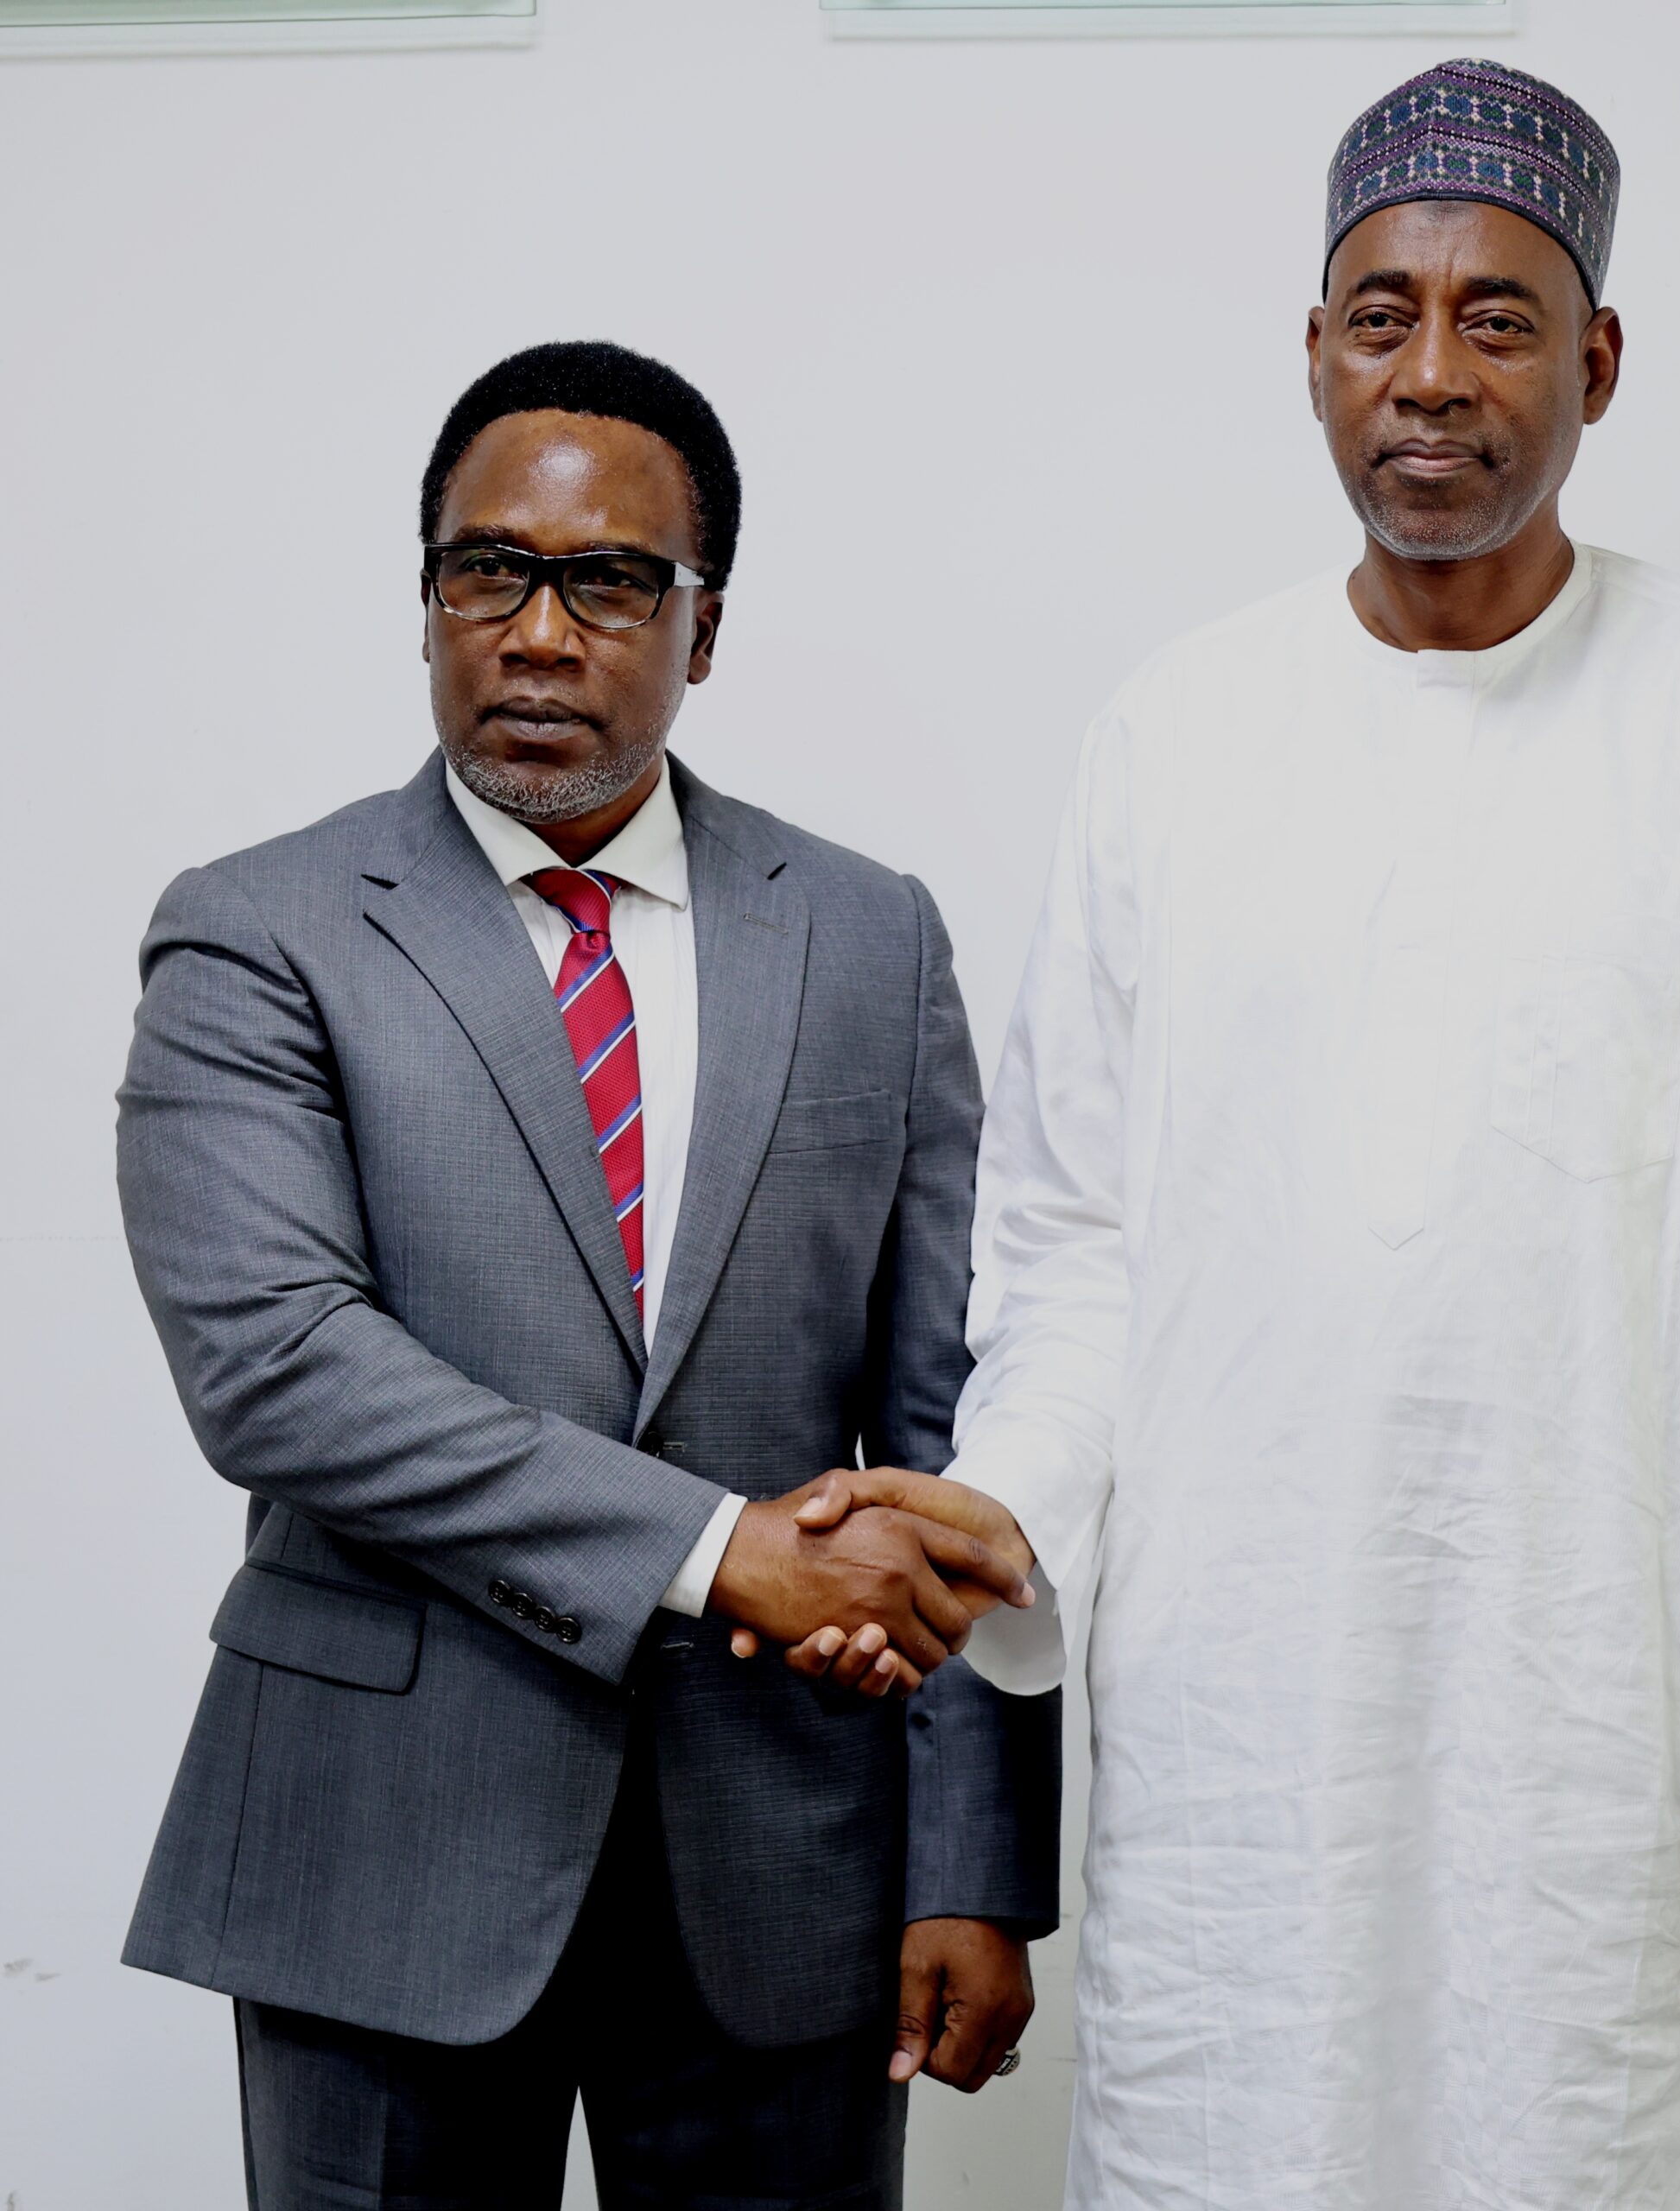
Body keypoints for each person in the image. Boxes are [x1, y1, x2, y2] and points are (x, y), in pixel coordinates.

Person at [793, 56, 1680, 2210]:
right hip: (1251, 1741)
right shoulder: (1177, 734)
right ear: (1314, 353)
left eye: (1498, 318)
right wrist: (992, 1519)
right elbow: (1074, 1255)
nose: (1431, 375)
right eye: (1378, 316)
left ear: (1598, 362)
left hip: (1627, 1728)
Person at [116, 340, 1059, 2211]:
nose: (539, 634)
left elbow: (953, 1424)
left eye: (612, 582)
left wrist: (972, 1863)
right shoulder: (258, 929)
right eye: (490, 572)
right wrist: (725, 1550)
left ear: (704, 629)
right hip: (378, 1853)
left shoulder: (868, 938)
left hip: (787, 1859)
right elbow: (280, 1368)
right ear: (427, 604)